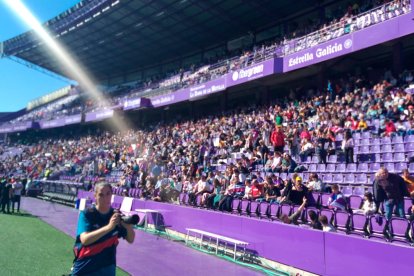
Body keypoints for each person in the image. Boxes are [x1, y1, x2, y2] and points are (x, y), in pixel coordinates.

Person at [71, 182, 135, 275]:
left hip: (107, 268)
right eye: (101, 194)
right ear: (95, 196)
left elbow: (131, 239)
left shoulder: (116, 215)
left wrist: (128, 227)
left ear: (112, 195)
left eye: (108, 194)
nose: (105, 198)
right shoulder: (87, 214)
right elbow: (85, 240)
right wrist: (109, 227)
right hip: (85, 267)